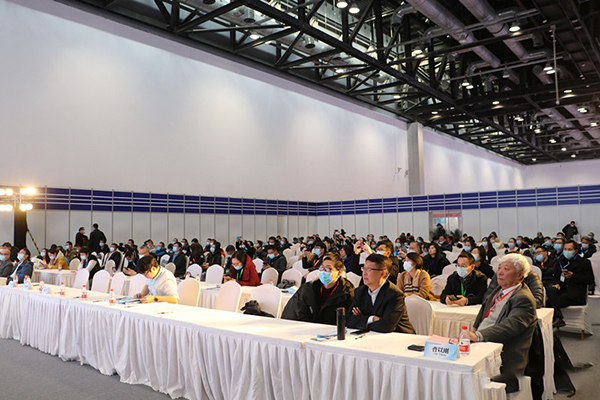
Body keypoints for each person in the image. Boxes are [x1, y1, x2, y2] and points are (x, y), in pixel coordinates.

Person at [468, 253, 538, 393]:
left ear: (520, 275)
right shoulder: (499, 290)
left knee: (469, 377)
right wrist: (474, 333)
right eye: (499, 268)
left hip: (505, 357)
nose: (499, 272)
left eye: (506, 269)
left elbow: (509, 327)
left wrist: (479, 336)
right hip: (486, 344)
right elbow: (483, 314)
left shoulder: (523, 299)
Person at [346, 254, 414, 334]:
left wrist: (362, 319)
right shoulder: (360, 292)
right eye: (364, 268)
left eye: (369, 269)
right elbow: (348, 320)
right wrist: (372, 319)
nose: (364, 273)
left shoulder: (395, 295)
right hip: (372, 335)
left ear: (382, 273)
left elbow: (386, 326)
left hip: (400, 336)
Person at [282, 253, 354, 325]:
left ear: (339, 273)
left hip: (333, 328)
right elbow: (300, 312)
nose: (323, 271)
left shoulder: (347, 292)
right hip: (309, 327)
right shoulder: (309, 288)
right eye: (322, 268)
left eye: (328, 269)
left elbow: (347, 318)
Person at [545, 240, 595, 328]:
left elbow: (589, 279)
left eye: (569, 249)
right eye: (565, 249)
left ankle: (557, 319)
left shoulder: (584, 262)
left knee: (550, 303)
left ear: (575, 251)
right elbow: (555, 278)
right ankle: (558, 318)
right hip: (562, 289)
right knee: (550, 290)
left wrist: (573, 276)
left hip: (575, 292)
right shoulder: (559, 261)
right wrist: (557, 284)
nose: (566, 251)